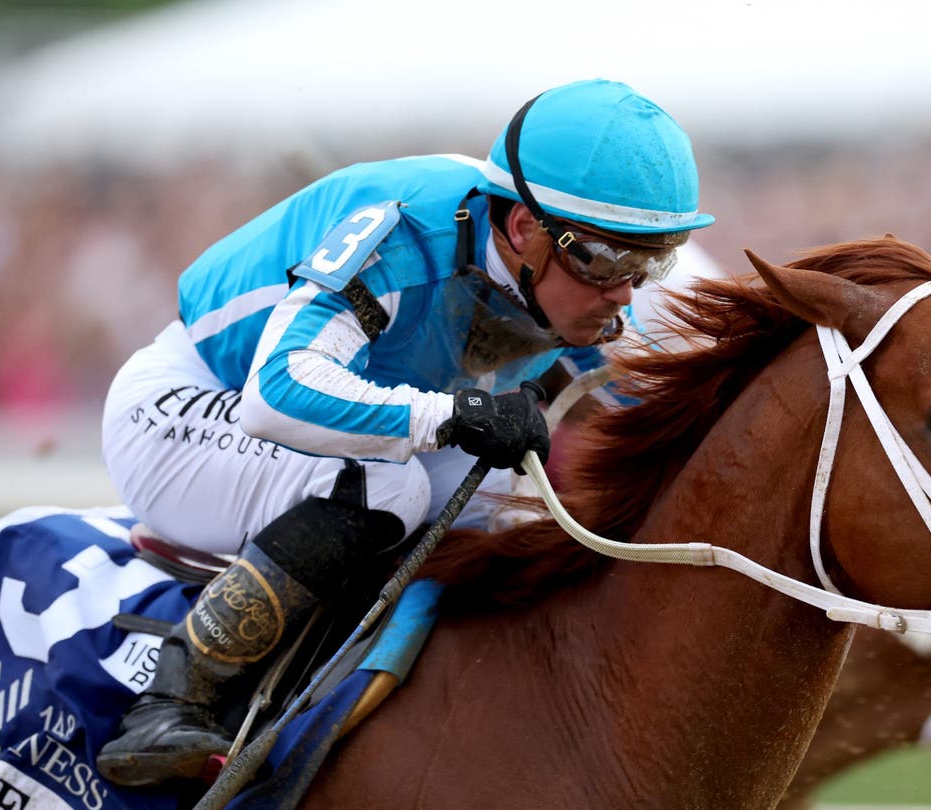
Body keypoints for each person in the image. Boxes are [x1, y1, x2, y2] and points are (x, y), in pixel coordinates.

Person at [95, 78, 714, 786]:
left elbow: (653, 409)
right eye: (606, 262)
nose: (624, 294)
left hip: (308, 435)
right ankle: (173, 697)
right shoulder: (403, 229)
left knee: (502, 508)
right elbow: (278, 393)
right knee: (393, 486)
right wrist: (451, 415)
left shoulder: (569, 282)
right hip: (193, 405)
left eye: (649, 263)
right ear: (523, 230)